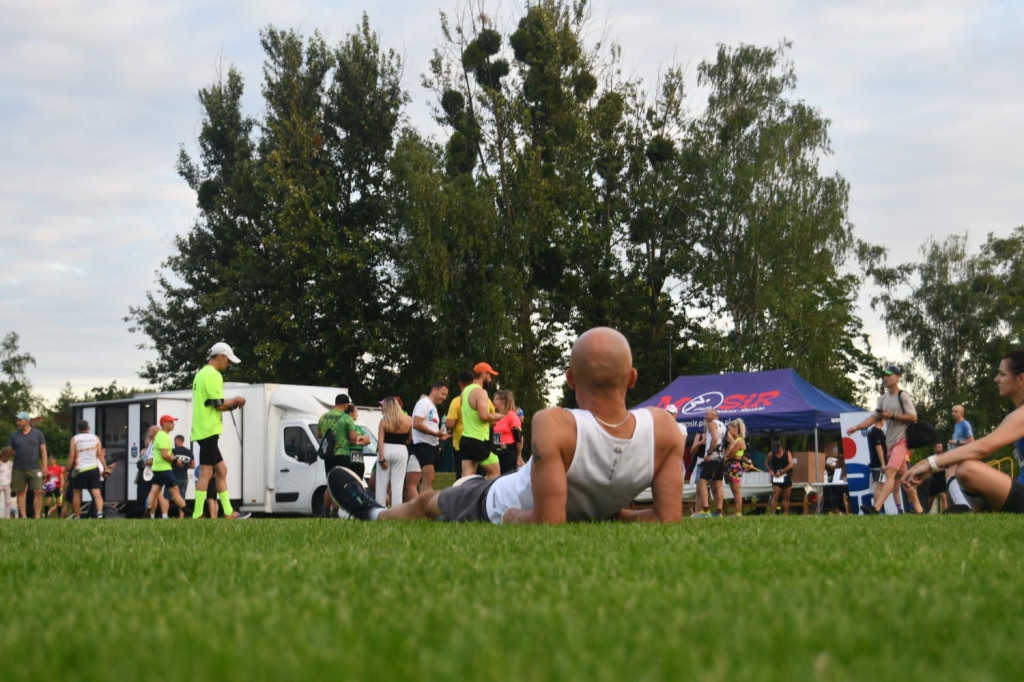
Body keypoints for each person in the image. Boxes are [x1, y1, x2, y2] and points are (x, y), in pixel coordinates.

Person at [327, 327, 684, 524]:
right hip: (500, 484)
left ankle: (374, 514)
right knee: (443, 496)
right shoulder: (665, 431)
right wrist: (615, 512)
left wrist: (513, 518)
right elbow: (669, 519)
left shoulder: (555, 424)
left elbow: (548, 523)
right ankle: (378, 512)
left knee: (428, 503)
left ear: (571, 379)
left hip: (494, 500)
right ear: (633, 378)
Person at [904, 350, 1024, 513]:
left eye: (1002, 374)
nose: (996, 379)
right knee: (964, 467)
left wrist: (930, 463)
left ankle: (972, 509)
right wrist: (933, 469)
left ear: (1020, 378)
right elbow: (976, 450)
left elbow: (983, 447)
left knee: (967, 469)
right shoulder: (1014, 416)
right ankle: (976, 510)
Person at [845, 365, 917, 515]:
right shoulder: (883, 399)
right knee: (905, 479)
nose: (885, 377)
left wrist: (892, 416)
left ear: (898, 377)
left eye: (889, 375)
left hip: (902, 440)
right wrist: (856, 427)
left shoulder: (903, 396)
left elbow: (913, 417)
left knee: (890, 472)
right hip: (890, 443)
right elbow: (873, 417)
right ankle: (919, 509)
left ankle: (876, 508)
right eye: (884, 375)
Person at [191, 341, 250, 519]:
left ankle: (228, 512)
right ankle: (197, 514)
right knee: (206, 473)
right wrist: (236, 400)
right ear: (221, 357)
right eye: (228, 360)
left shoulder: (201, 374)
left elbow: (212, 404)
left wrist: (231, 405)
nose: (229, 364)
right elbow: (218, 405)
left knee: (221, 470)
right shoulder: (213, 375)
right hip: (208, 430)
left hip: (204, 429)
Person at [317, 394, 367, 517]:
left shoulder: (324, 417)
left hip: (328, 454)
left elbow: (319, 435)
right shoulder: (346, 418)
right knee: (340, 483)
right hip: (343, 455)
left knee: (329, 483)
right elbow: (353, 438)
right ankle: (335, 512)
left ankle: (326, 510)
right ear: (345, 405)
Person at [458, 362, 504, 479]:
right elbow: (483, 416)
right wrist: (497, 416)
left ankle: (465, 496)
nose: (490, 380)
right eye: (490, 376)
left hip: (465, 439)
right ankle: (483, 496)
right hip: (478, 439)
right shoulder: (481, 392)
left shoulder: (464, 392)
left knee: (467, 477)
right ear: (483, 374)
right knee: (495, 472)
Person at [408, 382, 451, 498]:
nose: (444, 398)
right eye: (442, 394)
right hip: (424, 446)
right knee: (428, 482)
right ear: (434, 390)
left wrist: (440, 436)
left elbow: (429, 425)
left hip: (431, 446)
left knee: (427, 482)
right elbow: (416, 423)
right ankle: (424, 511)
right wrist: (435, 433)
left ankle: (422, 511)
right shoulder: (424, 403)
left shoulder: (432, 407)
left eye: (446, 395)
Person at [7, 410, 47, 519]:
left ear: (26, 421)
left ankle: (37, 516)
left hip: (35, 468)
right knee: (20, 493)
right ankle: (24, 517)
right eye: (17, 420)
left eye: (19, 420)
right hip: (18, 469)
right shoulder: (14, 436)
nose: (17, 422)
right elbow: (9, 450)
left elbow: (43, 450)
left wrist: (44, 466)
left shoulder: (38, 433)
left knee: (38, 491)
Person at [66, 419, 108, 519]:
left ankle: (77, 516)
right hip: (93, 468)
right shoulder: (95, 438)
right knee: (96, 492)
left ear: (78, 429)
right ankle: (99, 513)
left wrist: (68, 469)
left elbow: (72, 455)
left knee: (77, 492)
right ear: (88, 428)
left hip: (80, 469)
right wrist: (105, 467)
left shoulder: (75, 439)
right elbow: (100, 455)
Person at [375, 396, 412, 508]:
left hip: (385, 449)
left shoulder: (384, 421)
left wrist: (381, 458)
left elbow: (380, 441)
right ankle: (396, 511)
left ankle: (380, 510)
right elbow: (410, 438)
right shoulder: (408, 420)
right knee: (398, 484)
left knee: (382, 484)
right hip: (401, 450)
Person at [941, 404, 976, 511]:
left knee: (950, 474)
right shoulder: (957, 425)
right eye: (952, 411)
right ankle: (963, 504)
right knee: (951, 476)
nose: (953, 413)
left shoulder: (965, 425)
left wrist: (956, 442)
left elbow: (971, 441)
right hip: (956, 455)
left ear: (962, 413)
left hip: (962, 456)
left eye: (956, 411)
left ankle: (962, 505)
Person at [693, 409, 726, 517]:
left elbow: (715, 438)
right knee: (718, 485)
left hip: (712, 456)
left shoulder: (712, 424)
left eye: (706, 414)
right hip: (720, 457)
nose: (705, 415)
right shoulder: (723, 425)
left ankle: (706, 510)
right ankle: (718, 511)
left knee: (702, 482)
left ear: (713, 415)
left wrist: (709, 453)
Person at [445, 370, 475, 479]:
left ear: (460, 384)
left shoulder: (457, 401)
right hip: (479, 441)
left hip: (460, 443)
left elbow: (450, 423)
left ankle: (461, 494)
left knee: (462, 473)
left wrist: (446, 423)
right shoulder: (482, 399)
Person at [492, 389, 524, 474]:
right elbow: (496, 436)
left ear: (503, 401)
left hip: (509, 452)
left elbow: (519, 439)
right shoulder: (496, 417)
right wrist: (498, 447)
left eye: (496, 399)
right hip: (498, 452)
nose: (493, 401)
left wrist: (518, 455)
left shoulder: (512, 416)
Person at [723, 418, 749, 516]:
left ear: (735, 429)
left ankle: (738, 512)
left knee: (736, 490)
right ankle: (736, 511)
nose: (728, 432)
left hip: (735, 465)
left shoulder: (739, 441)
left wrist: (727, 452)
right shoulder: (734, 441)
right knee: (733, 490)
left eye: (729, 430)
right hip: (730, 465)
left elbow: (730, 454)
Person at [165, 435, 195, 517]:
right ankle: (181, 517)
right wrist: (185, 466)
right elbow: (193, 465)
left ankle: (165, 515)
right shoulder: (189, 452)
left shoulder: (173, 451)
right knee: (182, 498)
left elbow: (168, 461)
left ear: (176, 441)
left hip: (173, 477)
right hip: (184, 478)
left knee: (166, 497)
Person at [766, 440, 793, 515]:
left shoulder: (787, 453)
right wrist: (770, 471)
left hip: (785, 475)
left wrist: (782, 472)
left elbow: (791, 464)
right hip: (776, 477)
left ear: (781, 447)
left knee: (786, 496)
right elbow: (766, 463)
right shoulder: (771, 454)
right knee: (775, 495)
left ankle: (785, 513)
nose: (776, 451)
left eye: (778, 449)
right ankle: (773, 513)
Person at [0, 446, 12, 519]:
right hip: (0, 484)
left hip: (7, 484)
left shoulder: (10, 463)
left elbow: (11, 474)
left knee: (8, 501)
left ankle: (7, 516)